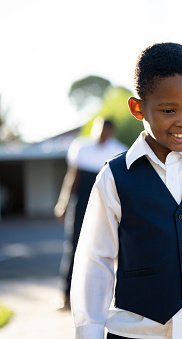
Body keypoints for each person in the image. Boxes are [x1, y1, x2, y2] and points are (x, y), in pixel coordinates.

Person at [70, 42, 182, 339]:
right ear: (137, 107)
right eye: (169, 110)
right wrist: (88, 333)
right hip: (136, 334)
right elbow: (95, 262)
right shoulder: (114, 177)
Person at [54, 117, 127, 310]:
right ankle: (67, 296)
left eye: (106, 131)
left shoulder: (119, 151)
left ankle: (108, 299)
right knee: (73, 248)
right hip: (80, 204)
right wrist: (63, 203)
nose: (102, 134)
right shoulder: (81, 147)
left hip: (107, 204)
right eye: (99, 129)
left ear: (111, 132)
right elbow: (72, 178)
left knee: (111, 249)